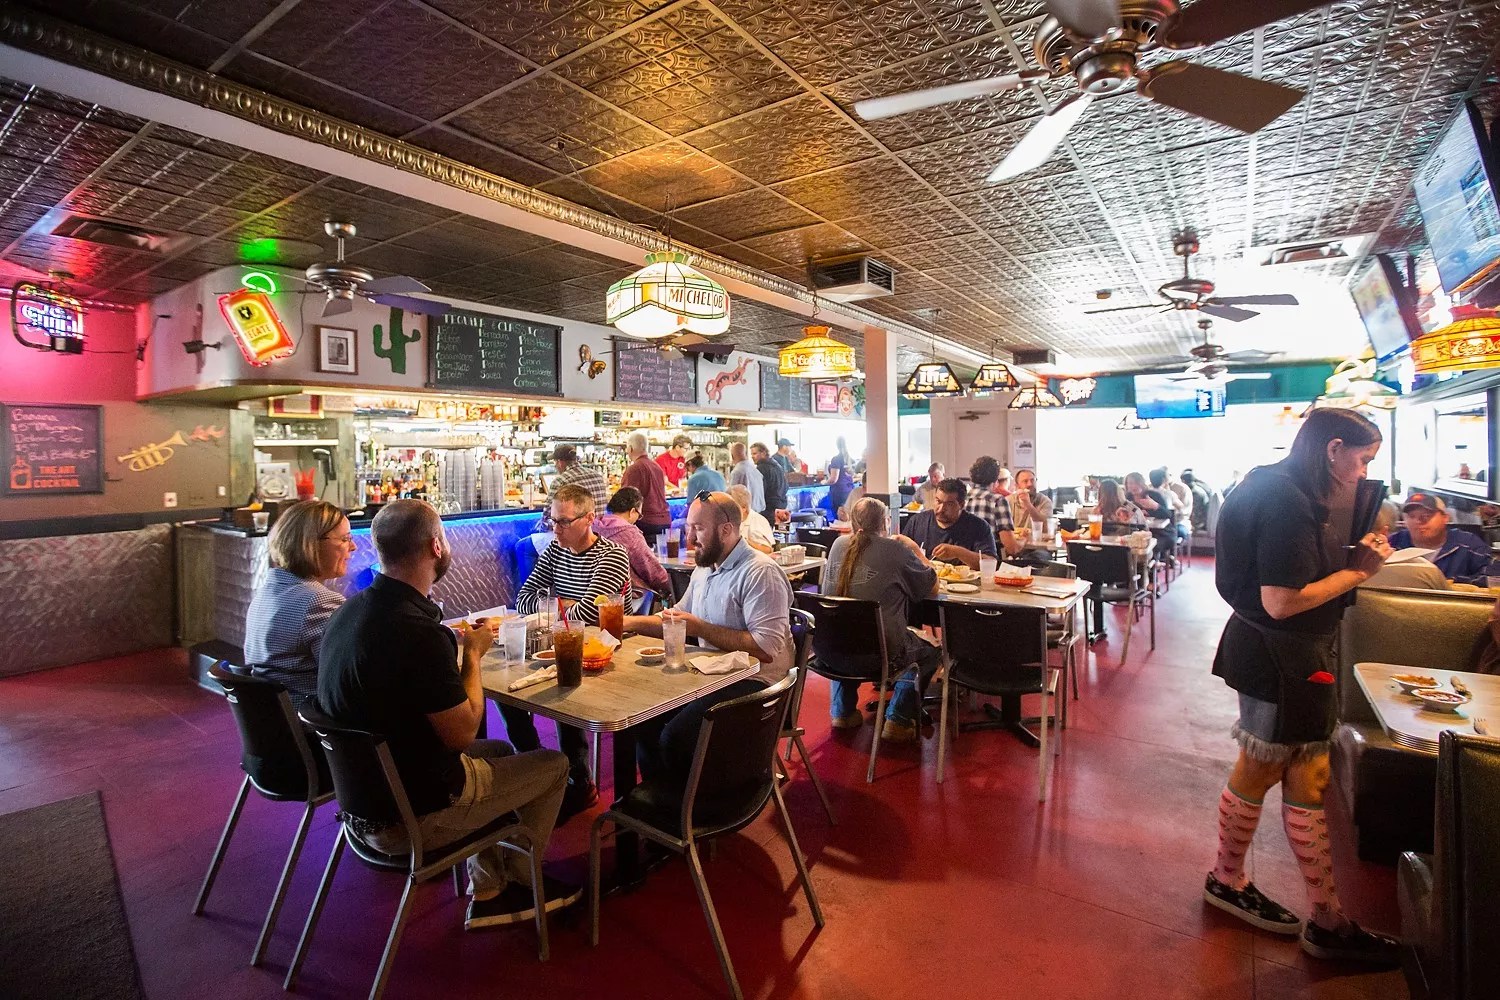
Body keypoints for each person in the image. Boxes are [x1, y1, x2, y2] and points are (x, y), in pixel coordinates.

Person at [317, 499, 575, 929]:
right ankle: (520, 882)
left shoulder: (349, 610)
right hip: (411, 817)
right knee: (554, 765)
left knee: (499, 749)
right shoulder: (419, 632)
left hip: (362, 804)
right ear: (436, 546)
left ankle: (488, 886)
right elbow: (461, 733)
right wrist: (471, 655)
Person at [1205, 408, 1399, 965]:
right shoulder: (1287, 500)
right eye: (1362, 459)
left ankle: (1326, 915)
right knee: (1262, 765)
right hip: (1277, 653)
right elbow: (1281, 601)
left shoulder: (1274, 485)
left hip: (1287, 652)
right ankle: (1228, 879)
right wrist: (1358, 571)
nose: (1363, 473)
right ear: (1333, 448)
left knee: (1308, 773)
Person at [624, 491, 794, 787]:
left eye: (698, 529)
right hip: (713, 676)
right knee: (643, 718)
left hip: (759, 686)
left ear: (726, 530)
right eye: (689, 527)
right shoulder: (705, 567)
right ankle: (664, 801)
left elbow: (766, 649)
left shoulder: (760, 572)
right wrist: (626, 623)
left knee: (676, 737)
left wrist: (700, 628)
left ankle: (697, 805)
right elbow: (677, 618)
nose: (690, 539)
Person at [512, 485, 632, 816]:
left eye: (564, 521)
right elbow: (523, 599)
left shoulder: (612, 555)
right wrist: (566, 606)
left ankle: (579, 781)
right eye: (553, 520)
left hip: (608, 652)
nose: (556, 528)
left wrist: (553, 606)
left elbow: (592, 614)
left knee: (562, 685)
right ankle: (538, 766)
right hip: (565, 644)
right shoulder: (555, 550)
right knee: (507, 689)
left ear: (589, 518)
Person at [825, 497, 940, 743]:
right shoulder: (895, 550)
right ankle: (898, 718)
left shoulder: (837, 544)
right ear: (886, 522)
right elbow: (932, 587)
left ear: (852, 522)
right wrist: (915, 549)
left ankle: (842, 712)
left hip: (830, 653)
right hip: (879, 656)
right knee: (931, 651)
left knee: (846, 630)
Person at [244, 500, 354, 708]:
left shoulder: (267, 591)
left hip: (274, 716)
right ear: (311, 544)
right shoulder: (319, 601)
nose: (353, 547)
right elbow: (346, 679)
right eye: (345, 539)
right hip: (313, 720)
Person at [1385, 492, 1497, 585]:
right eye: (1411, 516)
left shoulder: (1468, 544)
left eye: (1426, 516)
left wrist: (1447, 583)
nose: (1418, 521)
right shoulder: (1393, 543)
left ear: (1445, 518)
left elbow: (1494, 576)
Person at [593, 486, 672, 601]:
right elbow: (651, 571)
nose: (637, 520)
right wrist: (670, 585)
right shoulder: (629, 533)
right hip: (630, 597)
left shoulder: (595, 527)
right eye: (639, 515)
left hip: (597, 595)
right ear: (632, 511)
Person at [902, 478, 997, 568]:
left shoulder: (978, 526)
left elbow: (991, 563)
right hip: (924, 578)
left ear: (961, 505)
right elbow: (901, 553)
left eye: (949, 504)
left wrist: (958, 552)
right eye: (938, 501)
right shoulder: (918, 521)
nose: (941, 509)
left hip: (964, 580)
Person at [963, 456, 1021, 557]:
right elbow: (1011, 547)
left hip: (963, 557)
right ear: (996, 478)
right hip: (988, 559)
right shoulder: (997, 501)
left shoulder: (961, 498)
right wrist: (1023, 542)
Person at [621, 431, 670, 544]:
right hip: (664, 520)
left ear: (630, 448)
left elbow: (626, 499)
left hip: (645, 522)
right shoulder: (656, 466)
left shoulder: (634, 469)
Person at [550, 443, 608, 513]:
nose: (555, 466)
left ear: (559, 462)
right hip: (599, 520)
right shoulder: (597, 476)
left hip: (578, 520)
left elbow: (548, 513)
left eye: (555, 462)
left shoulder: (561, 481)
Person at [729, 483, 775, 553]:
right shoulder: (726, 519)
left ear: (744, 508)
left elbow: (768, 550)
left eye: (731, 508)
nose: (727, 510)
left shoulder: (758, 521)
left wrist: (743, 542)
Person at [751, 442, 788, 522]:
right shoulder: (777, 466)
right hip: (782, 506)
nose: (752, 456)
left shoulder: (761, 468)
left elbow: (760, 491)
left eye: (755, 453)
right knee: (780, 529)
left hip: (768, 509)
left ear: (763, 453)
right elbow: (786, 486)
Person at [1008, 468, 1054, 532]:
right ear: (1017, 486)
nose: (1030, 484)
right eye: (1025, 481)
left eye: (1032, 480)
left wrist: (1028, 504)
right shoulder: (1008, 501)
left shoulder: (1045, 501)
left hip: (1036, 537)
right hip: (1013, 537)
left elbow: (1046, 528)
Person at [1154, 467, 1192, 544]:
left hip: (1178, 521)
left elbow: (1185, 510)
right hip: (1157, 522)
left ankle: (1169, 549)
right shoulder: (1151, 489)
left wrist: (1173, 513)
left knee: (1170, 533)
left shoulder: (1182, 488)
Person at [728, 441, 765, 514]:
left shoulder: (737, 472)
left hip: (745, 514)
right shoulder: (755, 470)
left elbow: (732, 498)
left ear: (732, 456)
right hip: (759, 513)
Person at [827, 437, 854, 516]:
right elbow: (852, 476)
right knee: (847, 515)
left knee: (839, 516)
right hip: (849, 491)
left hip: (839, 492)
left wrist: (824, 482)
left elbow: (833, 479)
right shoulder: (850, 459)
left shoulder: (836, 459)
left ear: (837, 445)